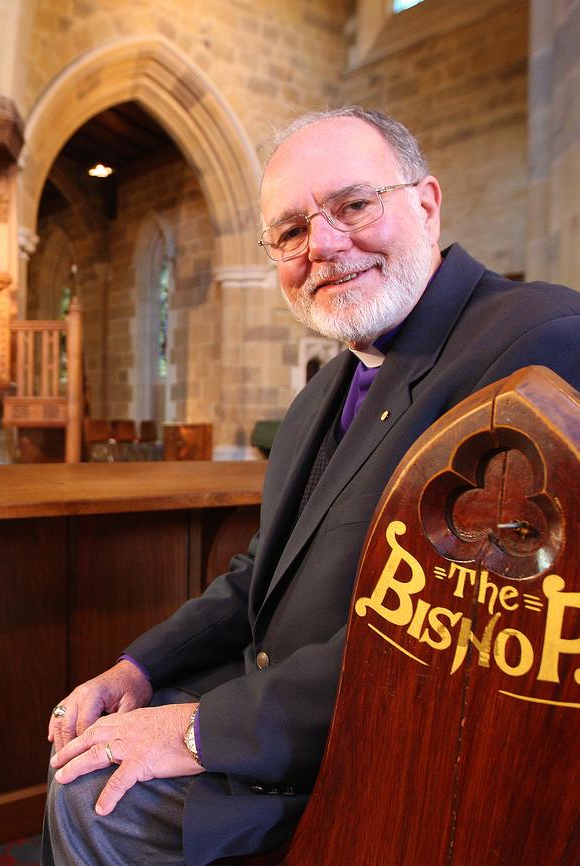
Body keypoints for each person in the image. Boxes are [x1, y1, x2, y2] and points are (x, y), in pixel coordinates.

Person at [42, 107, 580, 866]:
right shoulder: (320, 393)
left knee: (94, 801)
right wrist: (141, 666)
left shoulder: (535, 345)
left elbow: (469, 636)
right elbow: (256, 575)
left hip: (386, 760)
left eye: (353, 205)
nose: (323, 245)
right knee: (82, 743)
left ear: (426, 204)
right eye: (290, 232)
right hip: (283, 709)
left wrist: (200, 730)